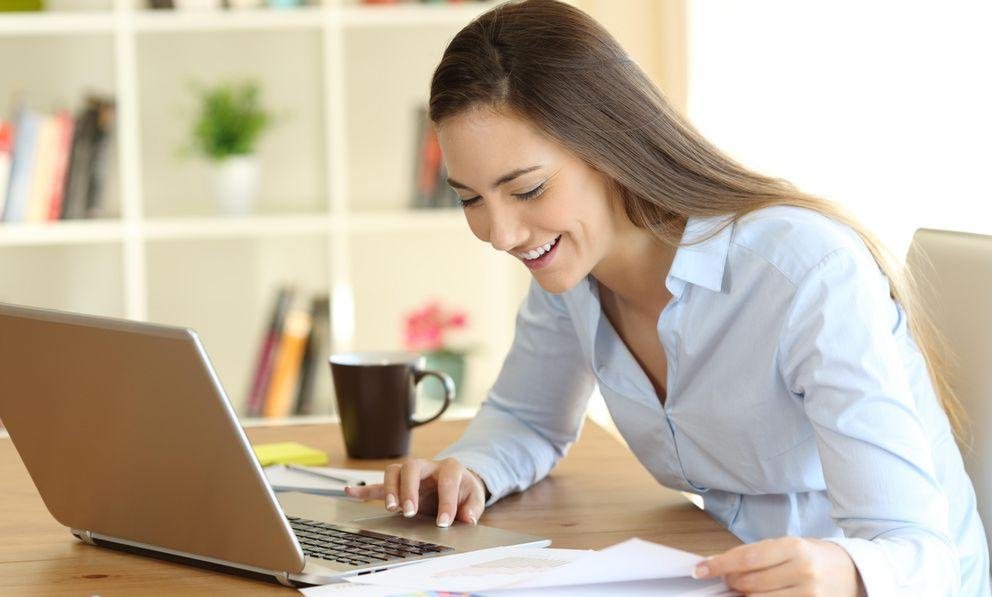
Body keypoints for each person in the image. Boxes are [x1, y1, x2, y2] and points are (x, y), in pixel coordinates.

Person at [346, 0, 990, 594]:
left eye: (530, 190)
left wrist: (844, 569)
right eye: (469, 199)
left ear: (609, 147)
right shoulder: (570, 268)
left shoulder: (806, 273)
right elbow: (528, 418)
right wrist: (470, 470)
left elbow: (920, 552)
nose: (500, 234)